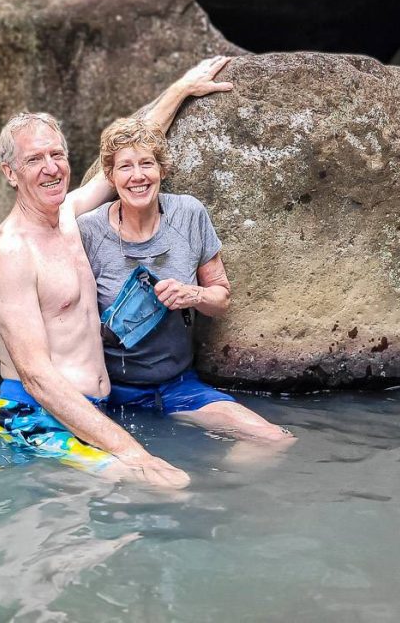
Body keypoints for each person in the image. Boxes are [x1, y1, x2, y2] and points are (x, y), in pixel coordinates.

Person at [0, 56, 233, 490]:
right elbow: (37, 377)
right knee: (168, 487)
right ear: (10, 173)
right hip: (36, 418)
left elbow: (128, 156)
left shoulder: (70, 216)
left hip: (93, 410)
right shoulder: (7, 251)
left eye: (57, 154)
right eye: (35, 159)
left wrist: (181, 89)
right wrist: (134, 453)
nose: (51, 167)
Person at [78, 116, 292, 444]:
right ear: (110, 176)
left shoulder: (189, 215)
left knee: (273, 440)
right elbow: (51, 296)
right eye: (125, 167)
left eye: (147, 163)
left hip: (176, 386)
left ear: (162, 169)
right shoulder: (89, 231)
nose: (138, 176)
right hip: (105, 391)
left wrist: (193, 295)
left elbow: (221, 299)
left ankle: (212, 493)